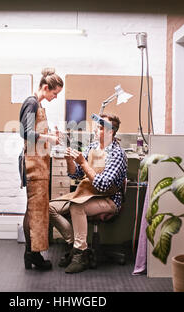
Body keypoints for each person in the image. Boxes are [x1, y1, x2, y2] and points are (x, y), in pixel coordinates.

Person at [49, 113, 127, 274]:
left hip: (108, 199)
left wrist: (83, 163)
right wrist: (70, 160)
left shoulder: (117, 154)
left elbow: (104, 185)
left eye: (100, 128)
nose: (96, 131)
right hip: (86, 194)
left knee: (77, 207)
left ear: (110, 132)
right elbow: (75, 174)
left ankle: (79, 256)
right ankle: (75, 247)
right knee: (49, 208)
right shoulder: (92, 147)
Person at [19, 68, 63, 270]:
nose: (55, 97)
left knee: (36, 210)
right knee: (35, 211)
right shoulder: (31, 103)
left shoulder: (37, 105)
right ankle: (32, 255)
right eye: (54, 93)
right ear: (46, 87)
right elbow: (26, 134)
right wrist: (50, 138)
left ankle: (32, 254)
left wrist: (49, 136)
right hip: (33, 166)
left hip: (39, 164)